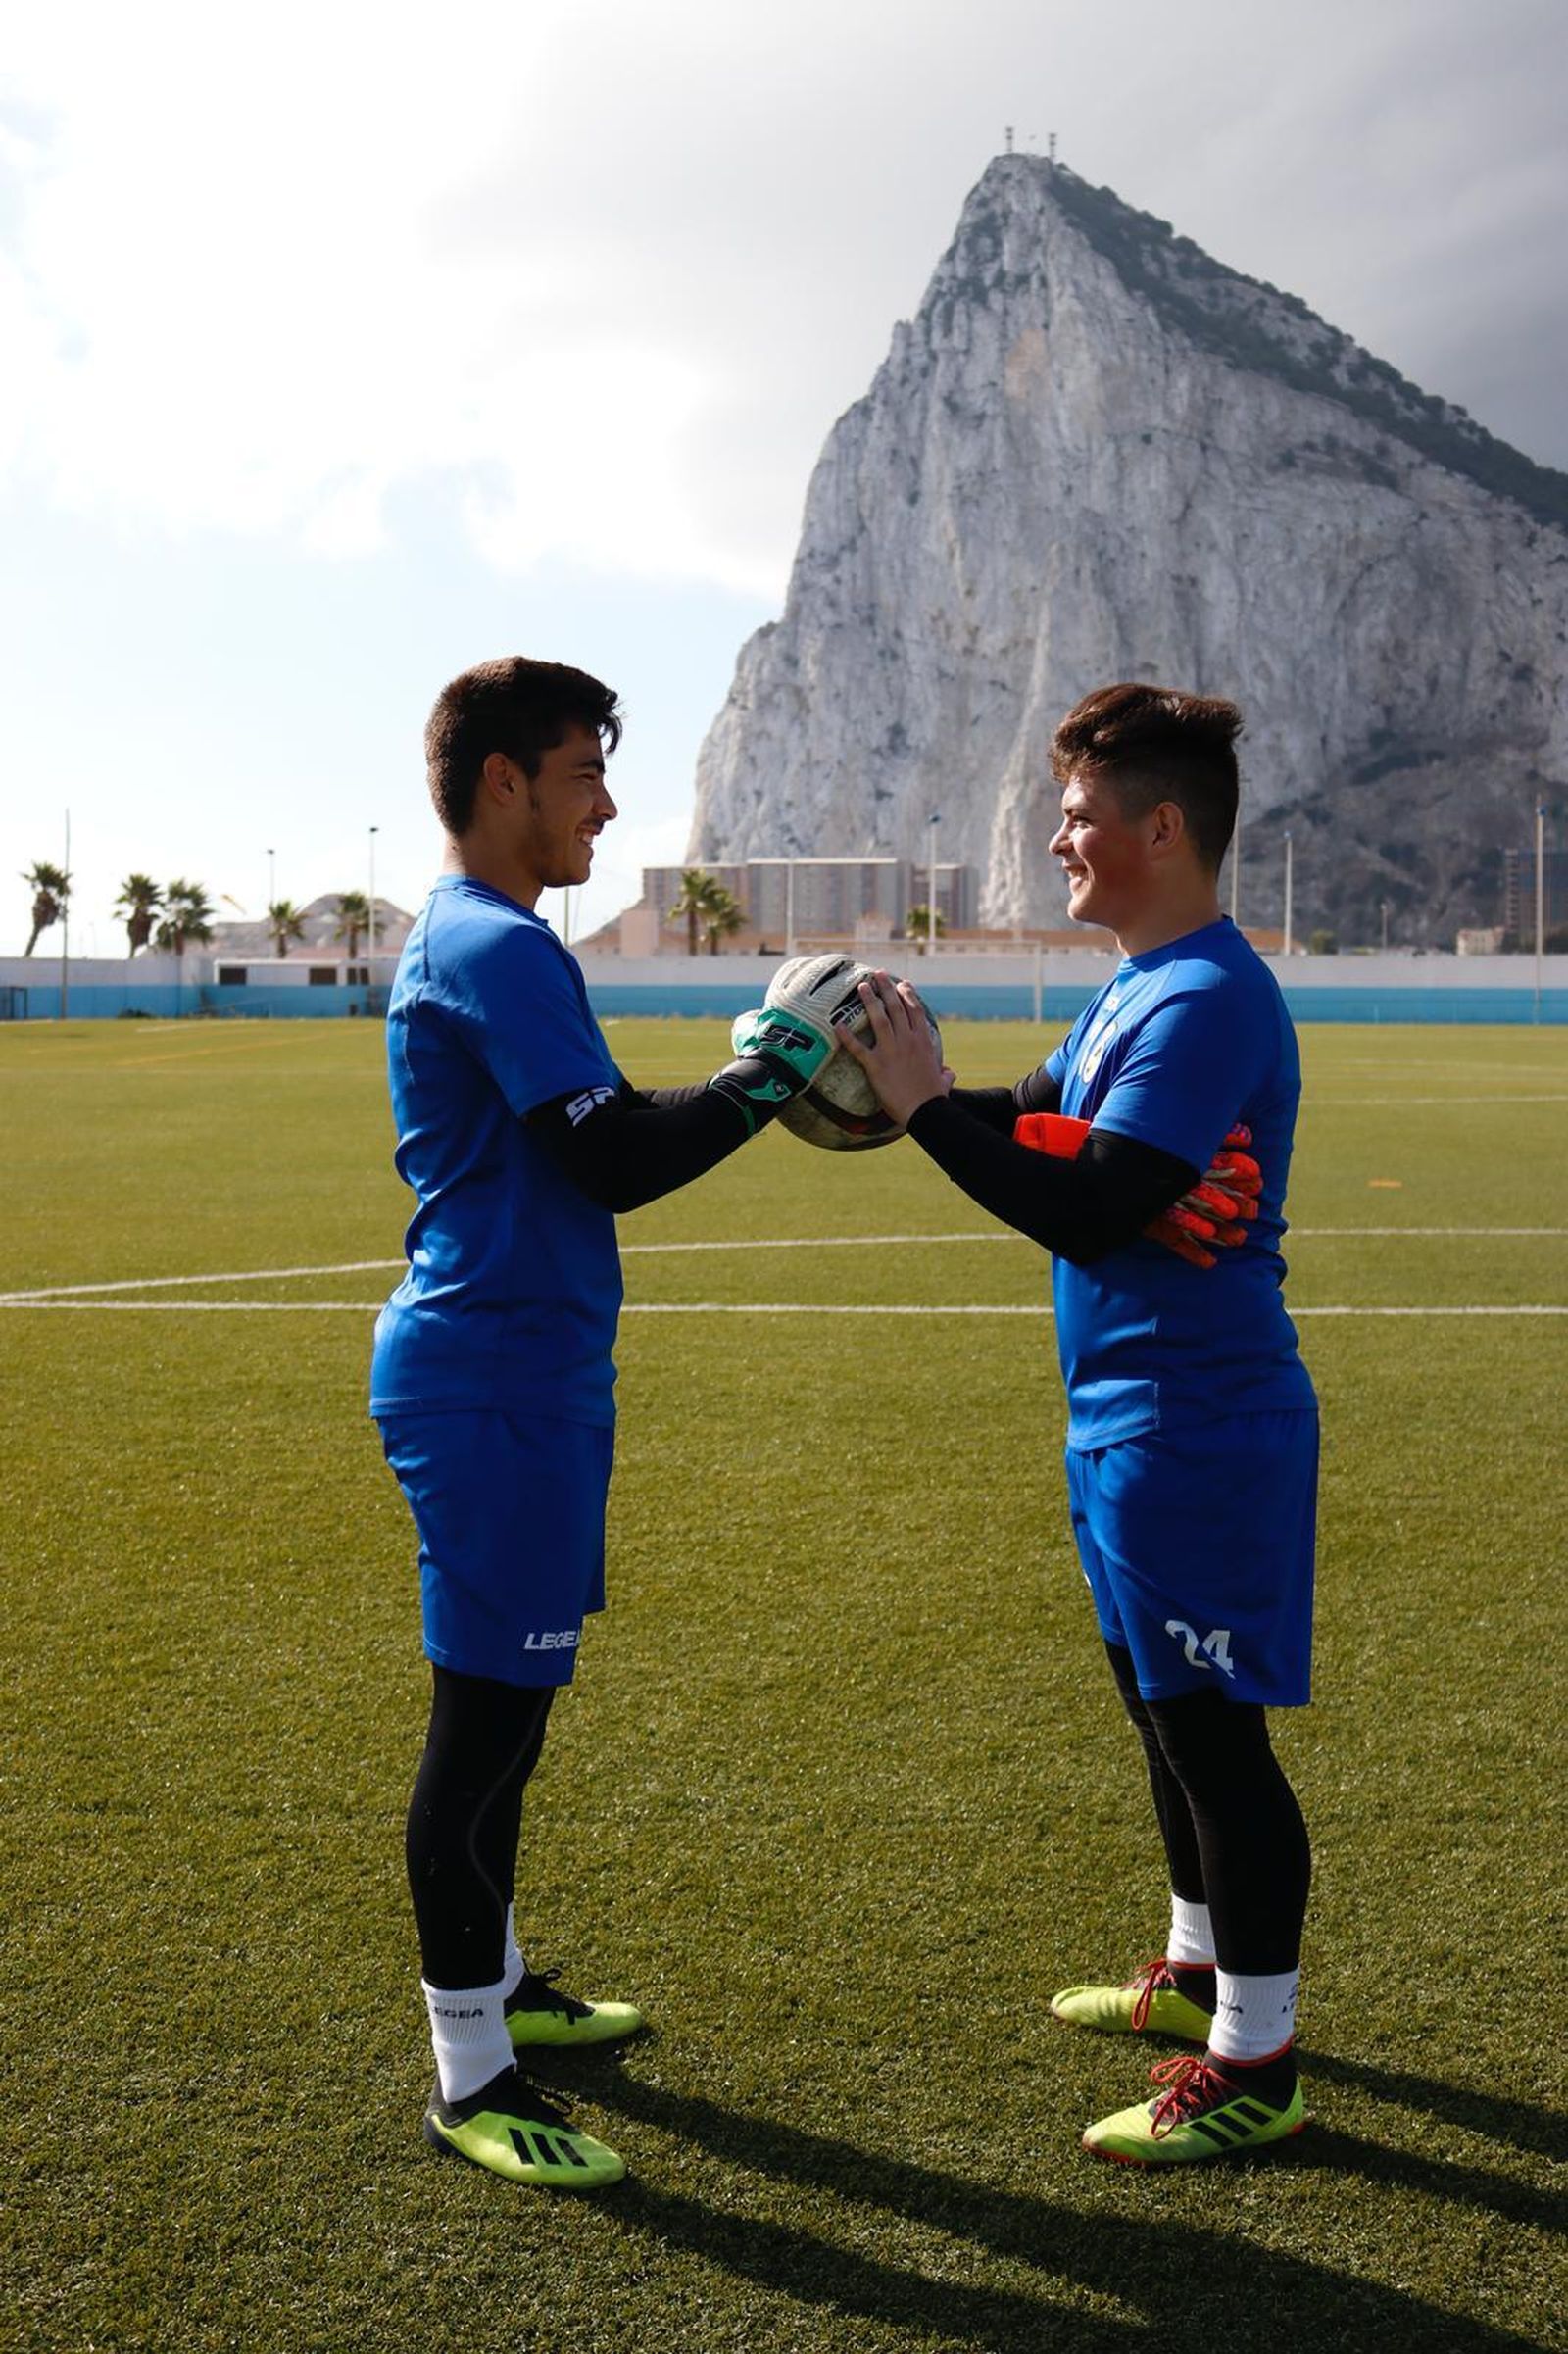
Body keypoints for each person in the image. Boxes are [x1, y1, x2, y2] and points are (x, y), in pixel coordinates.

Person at [370, 656, 835, 2190]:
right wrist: (769, 1074)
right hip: (489, 1380)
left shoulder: (500, 942)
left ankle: (498, 1981)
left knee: (518, 1710)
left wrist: (742, 1086)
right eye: (582, 773)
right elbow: (618, 1158)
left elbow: (600, 1131)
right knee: (483, 1727)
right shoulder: (492, 944)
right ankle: (468, 2070)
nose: (608, 804)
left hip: (532, 1374)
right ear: (502, 782)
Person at [841, 682, 1318, 2166]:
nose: (1056, 838)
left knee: (1214, 1741)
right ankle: (1193, 1970)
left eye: (1077, 816)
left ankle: (1259, 2057)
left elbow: (1094, 1196)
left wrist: (921, 1115)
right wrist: (871, 1092)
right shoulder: (1132, 983)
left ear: (1160, 828)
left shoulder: (1207, 997)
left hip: (1198, 1424)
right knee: (1158, 1716)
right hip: (1122, 1422)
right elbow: (1033, 1108)